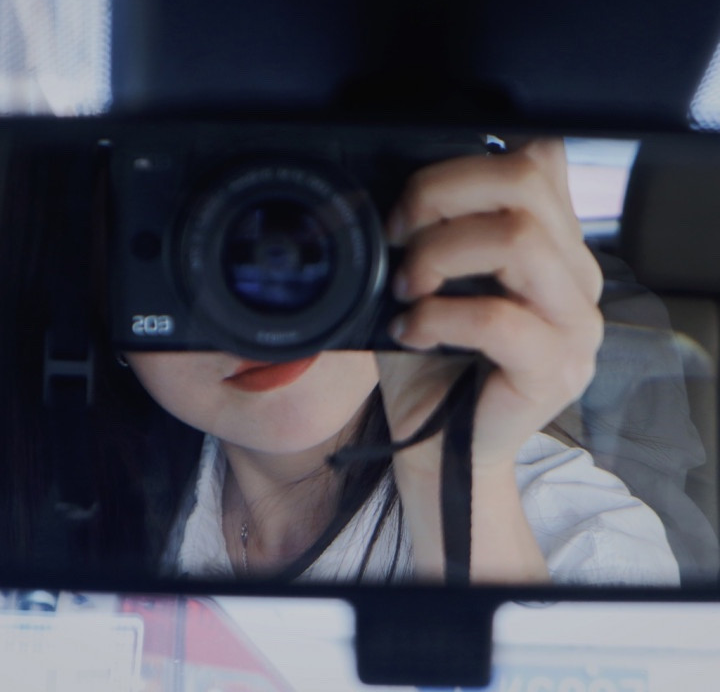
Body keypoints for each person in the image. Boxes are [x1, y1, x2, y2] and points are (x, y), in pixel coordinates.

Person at [0, 136, 681, 585]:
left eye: (308, 239)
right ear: (94, 286)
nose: (264, 313)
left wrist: (456, 473)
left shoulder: (586, 550)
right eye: (197, 246)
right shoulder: (60, 508)